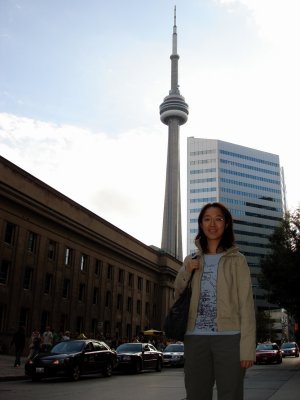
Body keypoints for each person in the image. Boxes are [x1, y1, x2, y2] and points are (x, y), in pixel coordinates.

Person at [175, 202, 256, 400]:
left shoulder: (237, 260)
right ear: (201, 224)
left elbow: (246, 306)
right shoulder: (191, 259)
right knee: (196, 394)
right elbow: (177, 294)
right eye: (207, 219)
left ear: (226, 224)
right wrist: (187, 270)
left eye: (218, 218)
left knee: (230, 394)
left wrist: (247, 349)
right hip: (195, 338)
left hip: (230, 339)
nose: (212, 224)